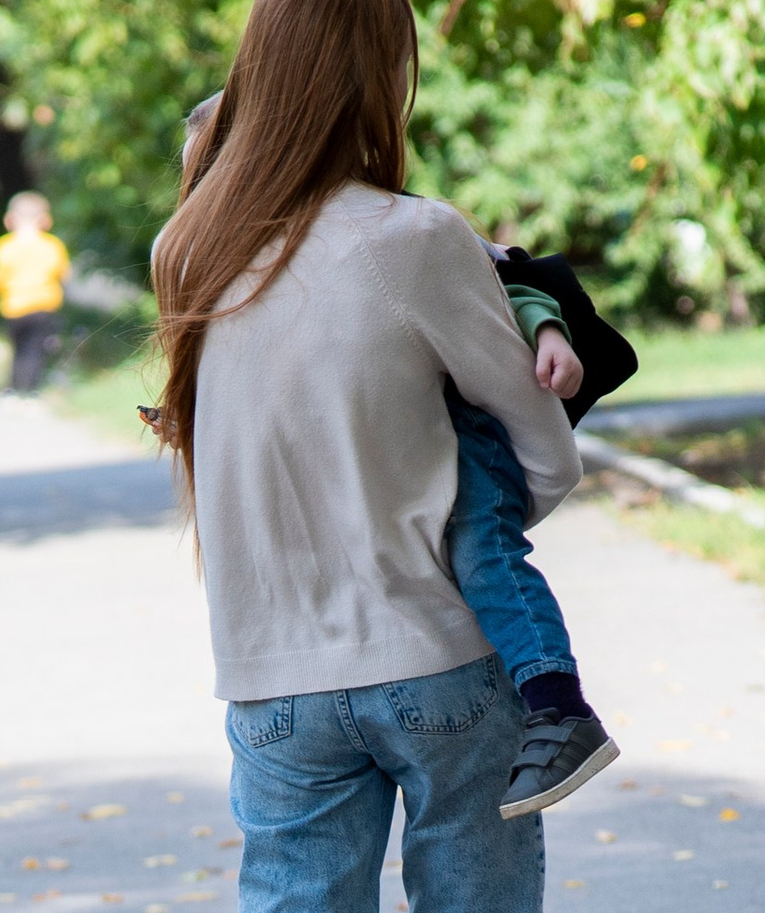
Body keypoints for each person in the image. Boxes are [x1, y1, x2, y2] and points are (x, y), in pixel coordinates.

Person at [150, 0, 584, 913]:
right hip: (440, 665)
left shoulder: (195, 250)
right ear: (378, 76)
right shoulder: (415, 239)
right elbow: (537, 449)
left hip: (272, 686)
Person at [181, 94, 624, 822]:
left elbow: (511, 278)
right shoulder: (239, 258)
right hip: (402, 637)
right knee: (481, 553)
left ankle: (559, 702)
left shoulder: (377, 233)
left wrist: (549, 330)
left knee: (485, 549)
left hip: (451, 455)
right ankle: (554, 698)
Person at [0, 187, 70, 389]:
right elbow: (63, 274)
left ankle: (15, 389)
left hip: (13, 306)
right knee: (35, 349)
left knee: (18, 349)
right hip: (43, 305)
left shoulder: (2, 247)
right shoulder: (52, 245)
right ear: (46, 220)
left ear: (9, 220)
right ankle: (31, 390)